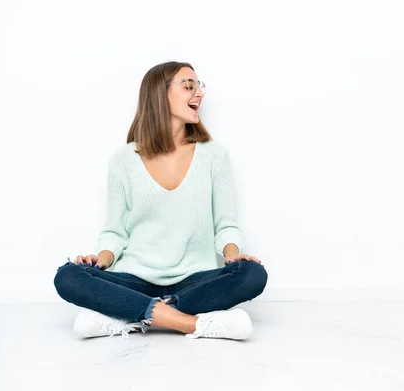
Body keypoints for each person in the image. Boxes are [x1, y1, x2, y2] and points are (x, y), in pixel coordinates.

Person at [53, 61, 268, 340]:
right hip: (134, 279)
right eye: (189, 86)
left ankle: (131, 317)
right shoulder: (123, 160)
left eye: (199, 86)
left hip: (194, 280)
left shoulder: (214, 156)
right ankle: (191, 323)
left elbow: (225, 224)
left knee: (253, 274)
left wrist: (232, 254)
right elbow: (115, 232)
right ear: (159, 95)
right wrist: (101, 260)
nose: (199, 94)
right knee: (68, 276)